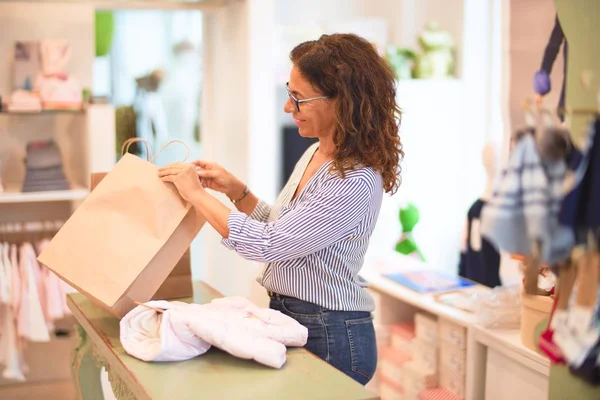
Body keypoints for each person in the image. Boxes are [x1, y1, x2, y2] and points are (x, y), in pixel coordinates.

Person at [158, 33, 403, 385]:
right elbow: (283, 232)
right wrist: (237, 191)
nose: (288, 108)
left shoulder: (354, 180)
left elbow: (268, 244)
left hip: (331, 331)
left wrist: (196, 196)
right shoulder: (316, 153)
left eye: (298, 98)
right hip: (299, 318)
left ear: (341, 101)